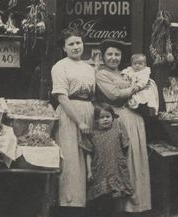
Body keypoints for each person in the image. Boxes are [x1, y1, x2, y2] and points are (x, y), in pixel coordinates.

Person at [95, 39, 152, 213]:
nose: (113, 58)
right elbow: (113, 95)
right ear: (103, 57)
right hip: (117, 120)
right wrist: (135, 88)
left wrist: (133, 86)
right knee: (120, 162)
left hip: (134, 119)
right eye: (110, 54)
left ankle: (136, 205)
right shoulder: (101, 74)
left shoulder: (125, 73)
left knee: (136, 160)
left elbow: (147, 86)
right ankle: (120, 208)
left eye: (117, 54)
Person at [51, 27, 95, 217]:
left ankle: (85, 205)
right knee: (70, 160)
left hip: (88, 111)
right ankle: (69, 206)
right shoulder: (60, 66)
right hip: (70, 115)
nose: (76, 47)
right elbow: (61, 97)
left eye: (78, 42)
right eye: (71, 44)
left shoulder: (88, 67)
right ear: (64, 48)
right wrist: (80, 122)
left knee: (88, 159)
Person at [80, 104, 134, 217]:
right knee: (101, 198)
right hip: (99, 169)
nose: (105, 119)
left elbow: (125, 147)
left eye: (108, 116)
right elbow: (88, 154)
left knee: (114, 197)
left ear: (113, 118)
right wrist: (89, 171)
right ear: (96, 120)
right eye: (102, 117)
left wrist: (121, 162)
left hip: (115, 168)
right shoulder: (92, 134)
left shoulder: (117, 131)